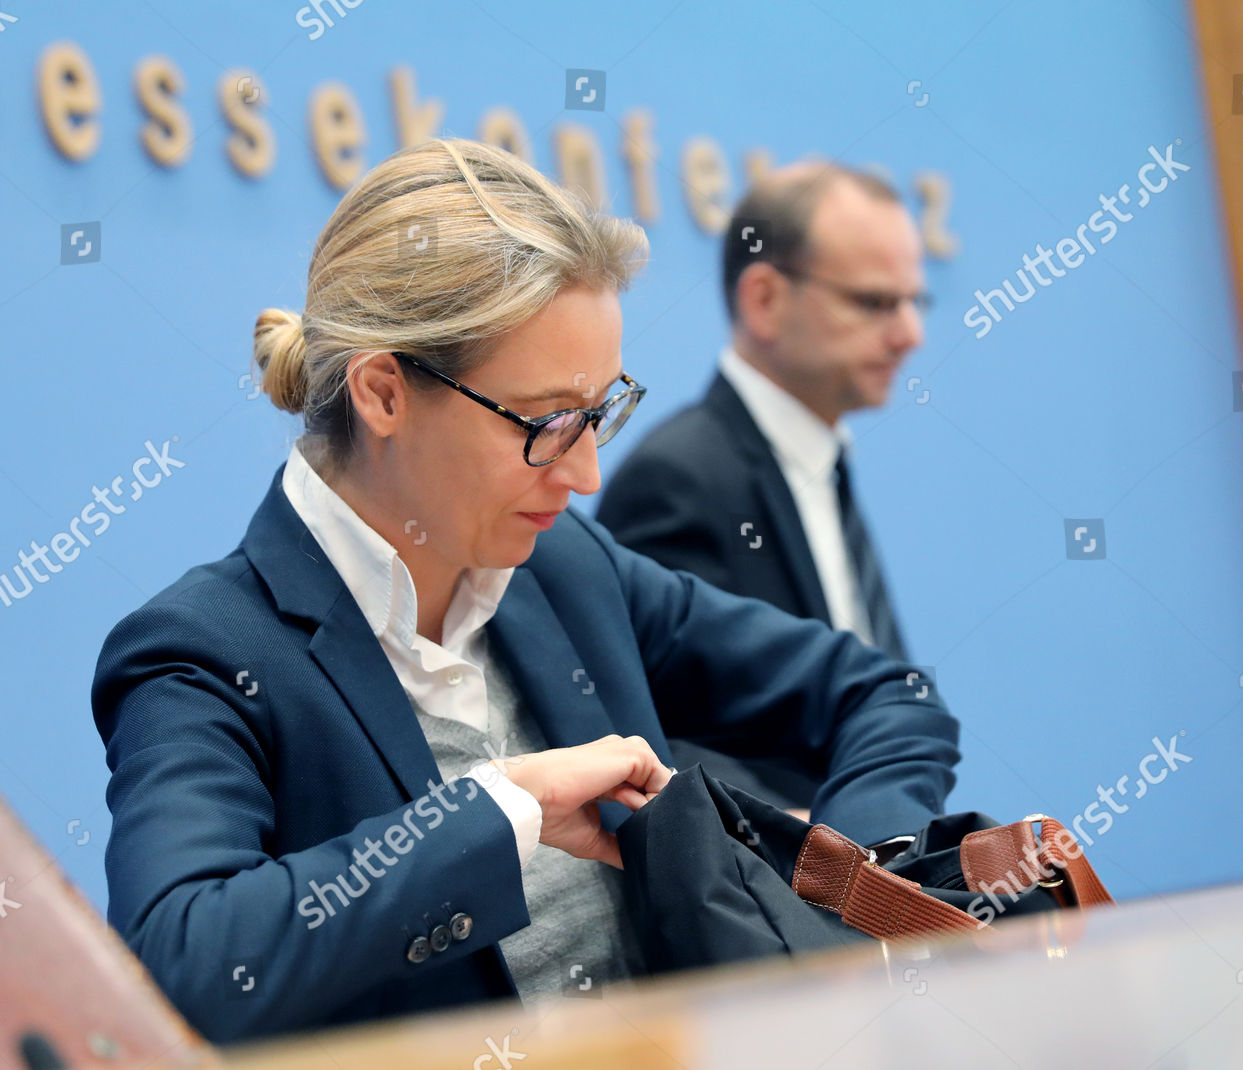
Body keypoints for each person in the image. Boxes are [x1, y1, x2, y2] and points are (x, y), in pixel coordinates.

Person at [90, 138, 960, 1045]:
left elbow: (886, 696)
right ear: (384, 393)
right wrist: (499, 812)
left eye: (600, 413)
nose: (586, 473)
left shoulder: (564, 569)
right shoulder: (203, 651)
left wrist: (856, 884)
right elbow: (183, 964)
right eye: (548, 423)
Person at [595, 162, 931, 805]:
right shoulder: (679, 478)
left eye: (916, 301)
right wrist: (820, 850)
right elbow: (658, 747)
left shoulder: (822, 460)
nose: (910, 333)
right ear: (764, 300)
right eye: (875, 302)